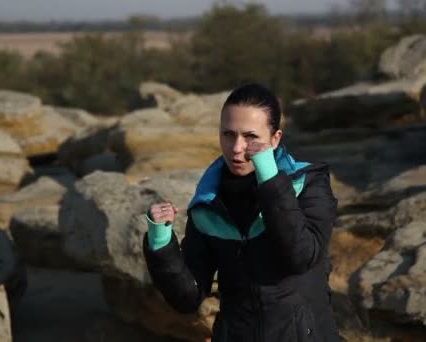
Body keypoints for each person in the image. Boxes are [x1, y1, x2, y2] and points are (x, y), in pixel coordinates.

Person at [142, 83, 340, 341]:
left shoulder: (309, 183)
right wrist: (160, 241)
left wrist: (268, 177)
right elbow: (187, 298)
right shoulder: (208, 203)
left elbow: (300, 257)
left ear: (275, 139)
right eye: (228, 134)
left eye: (250, 137)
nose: (236, 148)